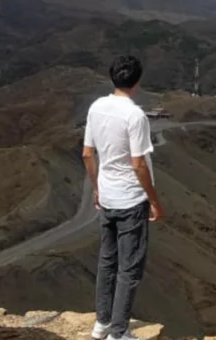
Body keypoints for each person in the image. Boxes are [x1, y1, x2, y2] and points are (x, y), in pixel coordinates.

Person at [82, 55, 165, 340]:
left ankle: (102, 323)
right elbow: (139, 164)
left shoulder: (96, 108)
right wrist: (154, 200)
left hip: (107, 198)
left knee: (107, 261)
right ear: (137, 82)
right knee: (129, 269)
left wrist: (97, 187)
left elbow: (87, 154)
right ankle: (119, 332)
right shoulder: (135, 116)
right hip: (131, 200)